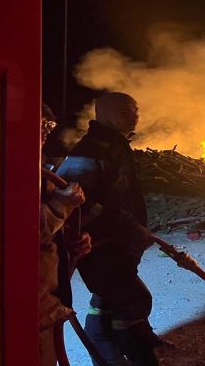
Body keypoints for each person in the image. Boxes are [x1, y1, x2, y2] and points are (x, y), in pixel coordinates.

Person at [56, 92, 161, 366]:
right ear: (102, 114)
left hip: (118, 244)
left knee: (106, 300)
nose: (134, 116)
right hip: (100, 245)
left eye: (135, 110)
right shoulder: (92, 149)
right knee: (133, 300)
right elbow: (74, 202)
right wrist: (126, 224)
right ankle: (136, 358)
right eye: (125, 111)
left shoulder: (114, 144)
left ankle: (106, 357)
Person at [39, 104, 90, 366]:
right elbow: (14, 232)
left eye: (49, 126)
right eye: (40, 125)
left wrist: (70, 245)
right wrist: (62, 205)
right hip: (24, 307)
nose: (44, 132)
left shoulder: (37, 171)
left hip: (45, 304)